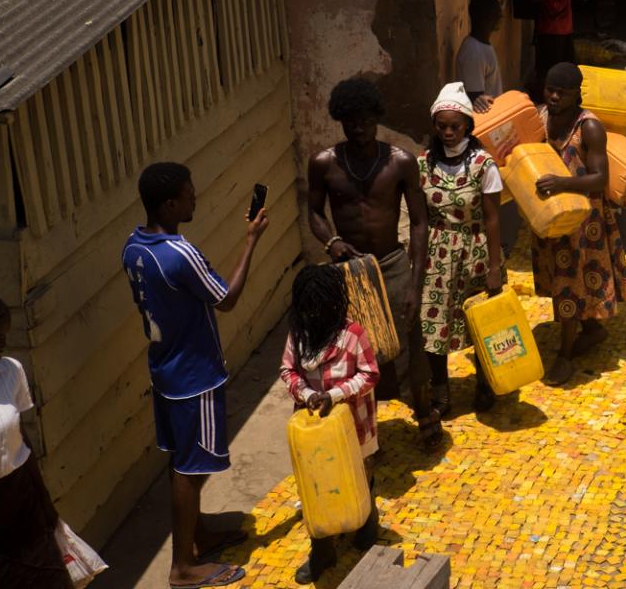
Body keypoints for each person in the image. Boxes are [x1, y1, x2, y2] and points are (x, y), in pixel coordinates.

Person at [122, 162, 270, 589]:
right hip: (196, 376)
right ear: (170, 203)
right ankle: (182, 567)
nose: (195, 198)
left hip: (165, 369)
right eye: (189, 194)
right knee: (192, 468)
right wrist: (251, 240)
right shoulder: (179, 253)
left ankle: (198, 534)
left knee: (181, 461)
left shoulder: (133, 247)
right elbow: (226, 299)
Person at [307, 78, 438, 445]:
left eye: (365, 120)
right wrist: (331, 240)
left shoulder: (401, 162)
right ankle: (365, 430)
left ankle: (425, 413)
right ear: (341, 121)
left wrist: (415, 283)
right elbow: (314, 213)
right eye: (351, 121)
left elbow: (419, 222)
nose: (359, 128)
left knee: (410, 341)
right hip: (349, 272)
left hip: (393, 264)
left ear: (377, 118)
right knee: (353, 351)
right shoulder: (323, 163)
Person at [531, 63, 626, 386]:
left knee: (570, 283)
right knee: (560, 277)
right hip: (551, 214)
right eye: (550, 90)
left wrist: (562, 184)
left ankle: (565, 356)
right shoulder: (542, 117)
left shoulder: (588, 127)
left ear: (578, 93)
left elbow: (600, 179)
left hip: (582, 220)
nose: (554, 96)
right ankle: (591, 329)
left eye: (562, 92)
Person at [279, 265, 381, 584]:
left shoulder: (353, 335)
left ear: (332, 305)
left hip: (355, 425)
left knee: (359, 474)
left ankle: (366, 523)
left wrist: (335, 395)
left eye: (316, 309)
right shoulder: (298, 335)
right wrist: (308, 394)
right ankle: (321, 550)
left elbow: (369, 374)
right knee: (317, 484)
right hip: (314, 433)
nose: (310, 316)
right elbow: (288, 371)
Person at [418, 83, 505, 415]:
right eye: (442, 127)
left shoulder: (484, 164)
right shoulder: (424, 164)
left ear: (468, 125)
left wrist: (495, 268)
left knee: (481, 322)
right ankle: (441, 393)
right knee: (432, 323)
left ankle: (486, 383)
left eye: (455, 126)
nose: (448, 132)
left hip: (477, 252)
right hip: (437, 257)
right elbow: (421, 218)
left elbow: (494, 219)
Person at [0, 289, 73, 589]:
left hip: (23, 505)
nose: (2, 344)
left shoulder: (10, 372)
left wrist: (47, 507)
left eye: (4, 335)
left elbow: (22, 439)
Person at [454, 0, 504, 112]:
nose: (500, 17)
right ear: (485, 18)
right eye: (497, 14)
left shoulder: (481, 46)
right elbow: (476, 99)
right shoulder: (473, 52)